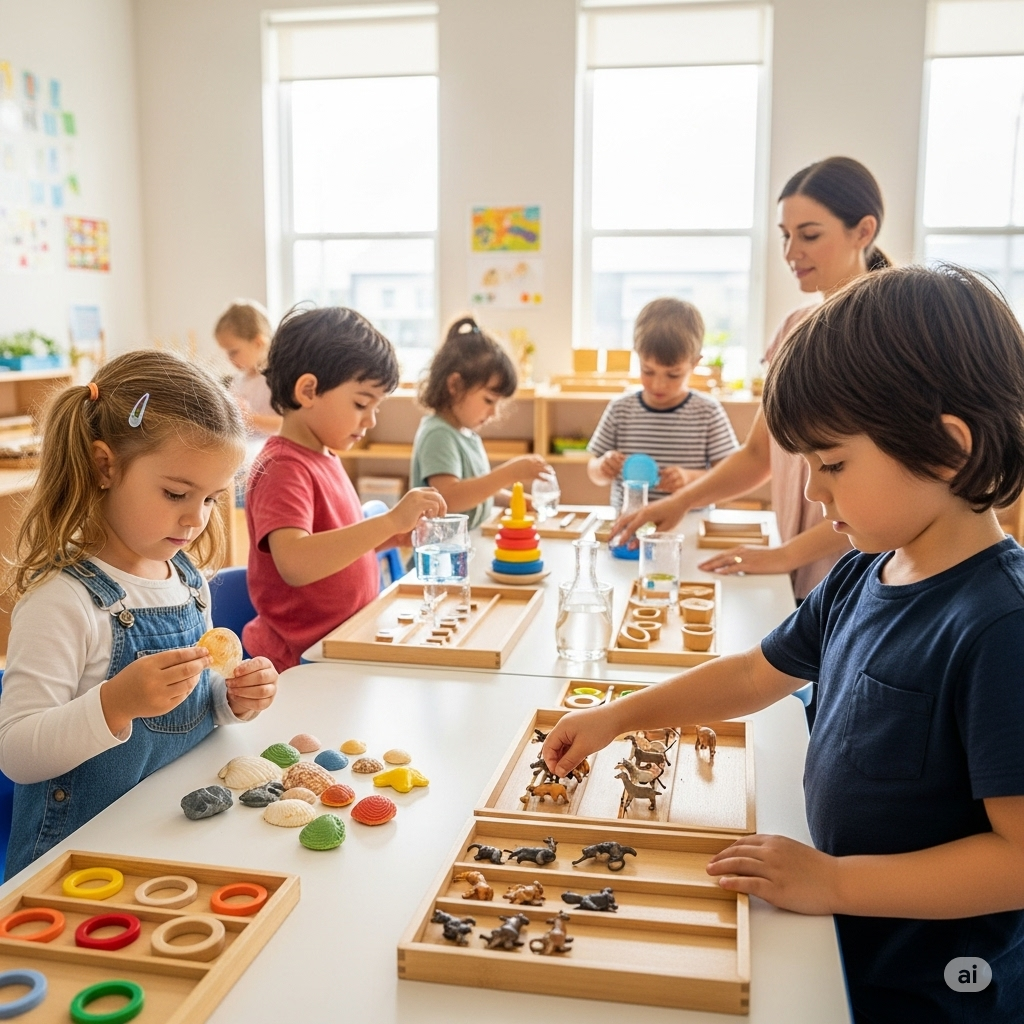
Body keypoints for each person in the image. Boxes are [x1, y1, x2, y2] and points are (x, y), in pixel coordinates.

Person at [544, 265, 1024, 1023]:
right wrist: (618, 715)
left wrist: (833, 882)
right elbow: (751, 673)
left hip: (931, 987)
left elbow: (1019, 859)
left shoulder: (1001, 625)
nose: (818, 495)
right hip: (836, 941)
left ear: (945, 450)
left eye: (832, 466)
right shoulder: (862, 572)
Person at [0, 351, 279, 880]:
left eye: (212, 499)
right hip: (78, 868)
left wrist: (229, 700)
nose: (196, 519)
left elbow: (184, 716)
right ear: (106, 466)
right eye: (176, 493)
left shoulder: (188, 582)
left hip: (171, 840)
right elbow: (16, 751)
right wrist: (115, 703)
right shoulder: (63, 600)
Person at [613, 157, 891, 601]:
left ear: (863, 230)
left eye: (810, 235)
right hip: (801, 572)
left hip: (860, 572)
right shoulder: (792, 330)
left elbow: (887, 496)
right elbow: (759, 453)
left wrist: (784, 555)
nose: (790, 253)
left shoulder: (887, 335)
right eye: (786, 236)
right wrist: (678, 501)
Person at [245, 306, 446, 671]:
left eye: (376, 407)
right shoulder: (283, 467)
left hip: (342, 642)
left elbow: (334, 542)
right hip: (300, 663)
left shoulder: (324, 455)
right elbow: (296, 562)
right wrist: (387, 522)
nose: (370, 420)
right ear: (308, 390)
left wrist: (392, 537)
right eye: (361, 403)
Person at [586, 297, 738, 511]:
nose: (658, 384)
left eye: (673, 375)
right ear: (637, 357)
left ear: (695, 363)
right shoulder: (620, 409)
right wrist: (602, 467)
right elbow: (593, 469)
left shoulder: (708, 412)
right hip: (629, 523)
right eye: (647, 371)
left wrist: (688, 478)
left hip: (688, 522)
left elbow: (728, 479)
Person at [410, 316, 551, 529]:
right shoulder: (438, 434)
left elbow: (477, 492)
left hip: (464, 548)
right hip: (441, 556)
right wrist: (510, 474)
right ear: (455, 385)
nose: (493, 412)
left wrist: (513, 499)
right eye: (488, 400)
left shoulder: (466, 434)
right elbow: (450, 497)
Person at [214, 299, 282, 446]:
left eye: (233, 352)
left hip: (270, 450)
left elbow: (285, 425)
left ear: (258, 342)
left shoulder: (277, 379)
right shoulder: (238, 381)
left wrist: (249, 418)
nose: (229, 359)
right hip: (243, 449)